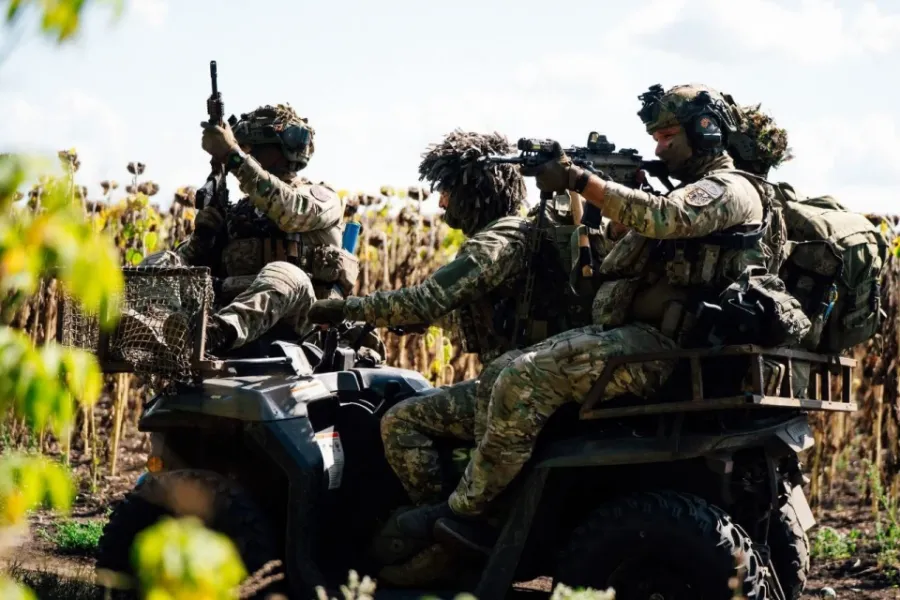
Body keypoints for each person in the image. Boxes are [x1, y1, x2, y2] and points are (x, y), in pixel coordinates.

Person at [394, 83, 811, 552]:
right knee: (502, 371)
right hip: (650, 339)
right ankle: (504, 500)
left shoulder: (727, 188)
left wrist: (581, 180)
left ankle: (469, 514)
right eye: (655, 137)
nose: (659, 148)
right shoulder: (694, 190)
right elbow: (621, 251)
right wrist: (601, 202)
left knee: (523, 378)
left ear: (706, 131)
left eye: (668, 135)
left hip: (671, 348)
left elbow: (665, 218)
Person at [306, 129, 609, 584]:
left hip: (522, 388)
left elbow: (426, 299)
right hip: (538, 379)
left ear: (475, 192)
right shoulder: (522, 232)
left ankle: (449, 537)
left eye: (447, 190)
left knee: (401, 421)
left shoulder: (497, 241)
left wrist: (344, 309)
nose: (441, 203)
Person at [136, 103, 361, 357]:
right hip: (229, 307)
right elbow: (195, 268)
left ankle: (213, 334)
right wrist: (202, 238)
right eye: (245, 149)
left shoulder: (319, 197)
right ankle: (153, 328)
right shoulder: (239, 213)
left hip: (303, 324)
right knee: (163, 262)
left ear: (279, 151)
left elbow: (290, 211)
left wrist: (233, 156)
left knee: (287, 273)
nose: (248, 155)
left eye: (253, 149)